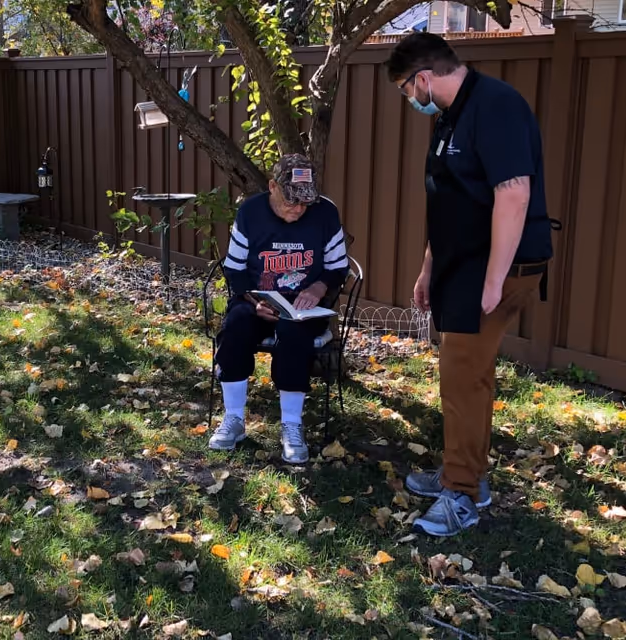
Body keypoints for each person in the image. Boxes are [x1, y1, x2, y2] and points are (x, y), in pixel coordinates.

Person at [384, 33, 554, 536]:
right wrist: (428, 267)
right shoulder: (449, 117)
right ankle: (462, 474)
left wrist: (494, 280)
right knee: (465, 376)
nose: (408, 99)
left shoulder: (496, 106)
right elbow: (450, 200)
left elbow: (515, 195)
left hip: (497, 270)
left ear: (423, 77)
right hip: (462, 267)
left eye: (404, 89)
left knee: (463, 378)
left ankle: (463, 493)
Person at [209, 154, 349, 464]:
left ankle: (291, 425)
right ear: (273, 186)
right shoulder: (249, 213)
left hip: (303, 306)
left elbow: (338, 267)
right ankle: (233, 419)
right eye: (291, 201)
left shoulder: (325, 213)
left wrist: (318, 287)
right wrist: (253, 300)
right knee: (235, 327)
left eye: (305, 202)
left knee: (294, 334)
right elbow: (234, 269)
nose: (298, 209)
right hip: (256, 300)